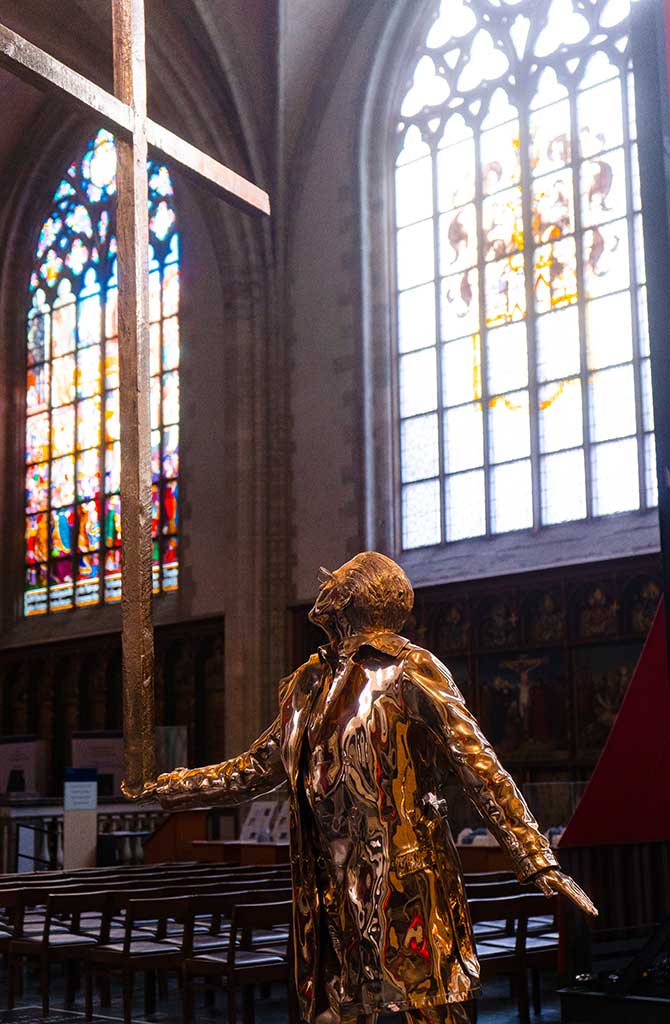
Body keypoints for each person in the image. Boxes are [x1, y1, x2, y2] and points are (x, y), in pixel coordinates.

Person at [130, 552, 596, 1023]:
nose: (325, 585)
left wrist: (536, 856)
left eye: (341, 578)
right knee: (339, 1011)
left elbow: (477, 762)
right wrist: (167, 788)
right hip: (328, 890)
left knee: (431, 1007)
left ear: (361, 595)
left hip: (404, 881)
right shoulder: (307, 684)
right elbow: (252, 769)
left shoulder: (409, 669)